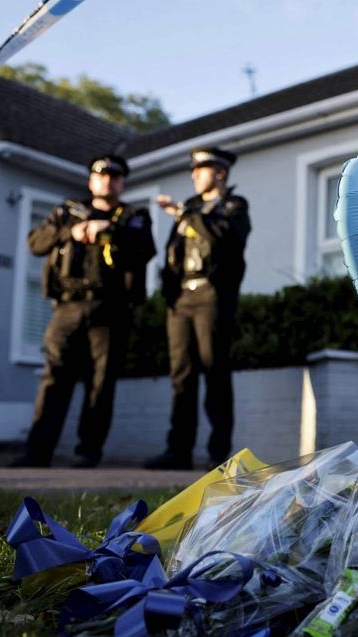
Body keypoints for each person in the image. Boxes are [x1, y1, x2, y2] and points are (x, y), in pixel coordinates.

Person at [10, 154, 155, 468]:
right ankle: (37, 453)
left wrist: (109, 230)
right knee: (54, 378)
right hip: (68, 306)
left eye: (115, 176)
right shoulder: (67, 212)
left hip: (111, 309)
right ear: (91, 181)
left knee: (100, 384)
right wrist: (70, 233)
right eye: (100, 175)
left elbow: (146, 248)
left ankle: (87, 454)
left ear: (122, 183)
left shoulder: (133, 216)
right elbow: (35, 242)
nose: (107, 180)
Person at [144, 147, 251, 470]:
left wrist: (183, 215)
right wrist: (169, 292)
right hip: (182, 299)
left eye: (201, 168)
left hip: (211, 295)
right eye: (194, 169)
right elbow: (173, 253)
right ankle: (177, 451)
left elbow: (222, 240)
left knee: (214, 370)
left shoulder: (234, 206)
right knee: (182, 375)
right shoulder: (189, 208)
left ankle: (219, 454)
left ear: (220, 173)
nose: (194, 174)